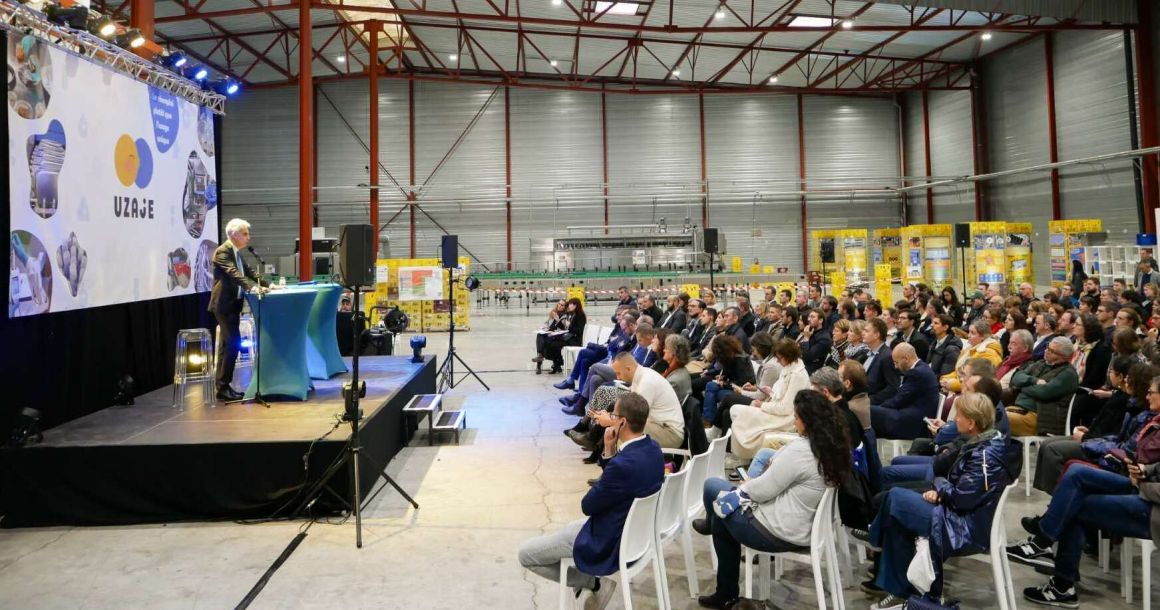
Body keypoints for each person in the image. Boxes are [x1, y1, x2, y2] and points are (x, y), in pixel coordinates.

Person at [691, 390, 851, 609]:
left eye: (796, 418)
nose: (794, 422)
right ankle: (724, 587)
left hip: (776, 531)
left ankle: (725, 590)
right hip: (803, 527)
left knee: (713, 489)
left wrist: (746, 486)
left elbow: (762, 490)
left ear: (807, 422)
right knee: (721, 510)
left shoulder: (802, 451)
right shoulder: (833, 447)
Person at [866, 393, 1017, 609]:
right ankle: (900, 591)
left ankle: (875, 541)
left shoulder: (986, 456)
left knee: (896, 498)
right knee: (897, 517)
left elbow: (962, 499)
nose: (955, 419)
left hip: (963, 526)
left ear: (972, 423)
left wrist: (940, 487)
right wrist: (942, 489)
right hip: (957, 514)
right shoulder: (984, 444)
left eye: (960, 416)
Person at [518, 392, 664, 609]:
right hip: (637, 534)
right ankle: (590, 581)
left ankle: (592, 582)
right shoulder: (653, 449)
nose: (611, 418)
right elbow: (617, 482)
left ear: (622, 422)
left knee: (526, 554)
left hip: (609, 539)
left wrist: (609, 463)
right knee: (567, 529)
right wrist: (608, 450)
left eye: (614, 415)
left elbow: (588, 505)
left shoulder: (622, 465)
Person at [1009, 458, 1160, 607]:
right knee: (1076, 473)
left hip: (1154, 508)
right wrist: (1146, 469)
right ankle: (1043, 543)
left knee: (1078, 505)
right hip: (1144, 486)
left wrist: (1144, 485)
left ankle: (1060, 580)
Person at [1031, 357, 1151, 493]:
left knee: (1053, 450)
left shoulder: (1133, 407)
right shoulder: (1124, 399)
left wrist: (1086, 439)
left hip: (1109, 452)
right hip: (1100, 441)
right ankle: (1056, 499)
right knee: (1048, 444)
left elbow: (1119, 440)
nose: (1127, 381)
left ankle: (1060, 496)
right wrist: (1089, 434)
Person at [209, 218, 271, 401]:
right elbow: (234, 274)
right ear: (234, 235)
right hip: (223, 305)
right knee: (233, 344)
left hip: (233, 304)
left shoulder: (236, 252)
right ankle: (223, 387)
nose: (248, 238)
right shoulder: (223, 252)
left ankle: (222, 387)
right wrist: (251, 288)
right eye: (245, 234)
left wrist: (269, 284)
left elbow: (249, 271)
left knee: (228, 346)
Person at [728, 339, 812, 460]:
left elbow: (786, 408)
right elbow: (782, 395)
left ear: (787, 356)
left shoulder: (797, 375)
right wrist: (770, 392)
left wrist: (762, 405)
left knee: (735, 410)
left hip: (785, 418)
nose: (777, 360)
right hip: (775, 409)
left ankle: (743, 456)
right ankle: (739, 454)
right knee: (733, 410)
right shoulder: (789, 367)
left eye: (779, 357)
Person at [607, 351, 685, 448]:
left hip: (670, 433)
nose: (618, 377)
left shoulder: (647, 382)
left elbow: (635, 418)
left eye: (619, 373)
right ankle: (614, 460)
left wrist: (610, 421)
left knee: (626, 429)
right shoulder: (641, 376)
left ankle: (622, 462)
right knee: (620, 424)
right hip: (659, 425)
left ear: (628, 369)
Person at [1006, 337, 1080, 436]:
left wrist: (1023, 387)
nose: (1046, 351)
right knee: (985, 414)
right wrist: (1034, 380)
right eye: (1047, 347)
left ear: (1064, 357)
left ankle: (989, 448)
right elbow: (1016, 378)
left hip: (1039, 419)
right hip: (1019, 410)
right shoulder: (1041, 363)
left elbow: (1044, 392)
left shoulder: (1068, 374)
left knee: (994, 418)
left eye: (1052, 351)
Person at [870, 343, 940, 440]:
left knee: (868, 411)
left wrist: (879, 408)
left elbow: (899, 400)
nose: (895, 367)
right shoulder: (922, 368)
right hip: (914, 415)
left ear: (906, 359)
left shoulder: (917, 373)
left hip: (914, 422)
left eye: (896, 362)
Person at [939, 320, 1003, 393]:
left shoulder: (988, 353)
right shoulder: (970, 348)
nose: (968, 335)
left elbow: (979, 382)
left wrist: (953, 384)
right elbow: (958, 372)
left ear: (983, 337)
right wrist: (945, 379)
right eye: (969, 332)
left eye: (972, 333)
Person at [542, 298, 587, 375]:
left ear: (575, 305)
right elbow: (565, 328)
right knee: (550, 339)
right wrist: (558, 320)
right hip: (569, 337)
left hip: (575, 340)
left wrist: (569, 326)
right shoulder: (572, 314)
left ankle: (557, 364)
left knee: (553, 344)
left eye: (570, 304)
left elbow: (578, 331)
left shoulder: (581, 316)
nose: (568, 306)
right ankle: (557, 363)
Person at [863, 318, 901, 404]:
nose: (863, 333)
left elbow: (892, 387)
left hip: (873, 404)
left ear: (877, 335)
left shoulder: (887, 356)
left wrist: (869, 400)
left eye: (866, 331)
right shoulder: (867, 353)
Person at [533, 299, 568, 372]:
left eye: (562, 305)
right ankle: (540, 357)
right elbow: (547, 322)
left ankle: (540, 361)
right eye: (559, 304)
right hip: (549, 332)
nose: (560, 306)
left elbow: (565, 327)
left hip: (557, 334)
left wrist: (558, 320)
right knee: (540, 335)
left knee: (543, 341)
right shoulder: (553, 312)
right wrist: (544, 328)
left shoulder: (565, 315)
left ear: (565, 307)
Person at [799, 308, 833, 374]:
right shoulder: (810, 331)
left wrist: (806, 338)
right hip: (803, 366)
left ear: (820, 320)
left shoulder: (824, 338)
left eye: (812, 317)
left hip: (813, 371)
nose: (808, 319)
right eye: (809, 317)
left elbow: (809, 356)